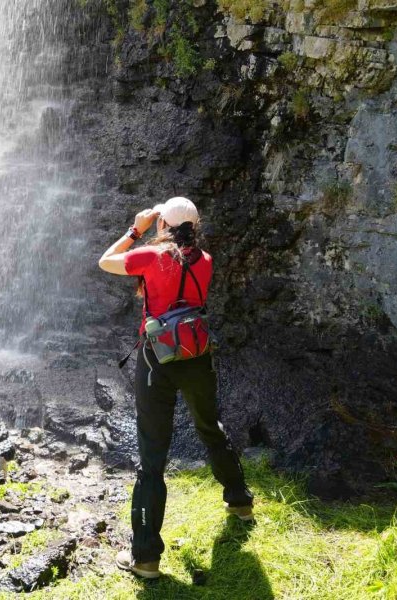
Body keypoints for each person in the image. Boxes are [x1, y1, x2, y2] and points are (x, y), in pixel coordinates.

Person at [98, 196, 254, 579]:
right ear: (195, 225)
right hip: (197, 355)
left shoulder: (151, 256)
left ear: (162, 225)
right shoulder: (206, 260)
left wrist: (137, 229)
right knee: (210, 428)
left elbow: (105, 261)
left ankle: (146, 558)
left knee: (152, 456)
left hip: (157, 361)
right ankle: (240, 502)